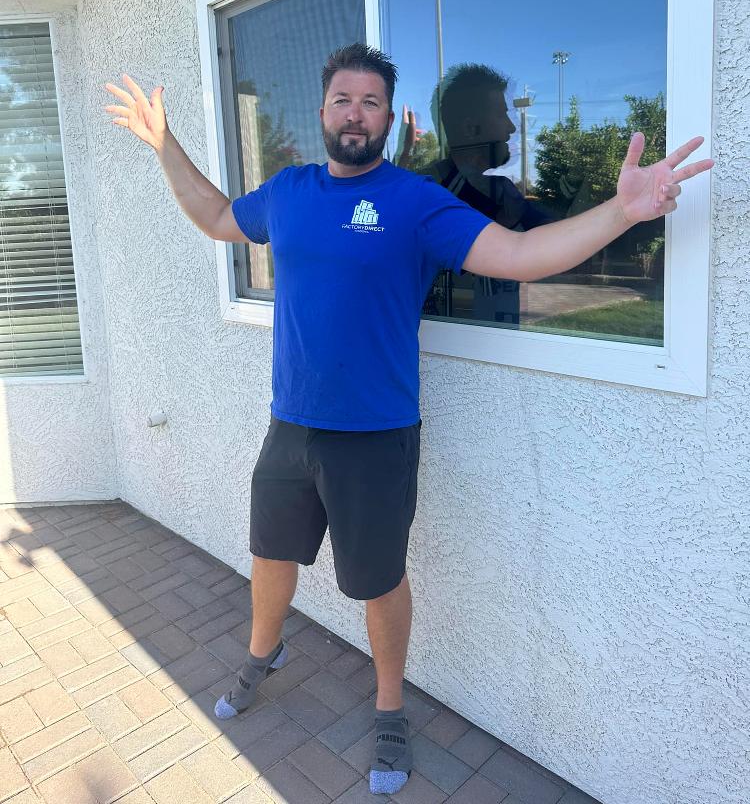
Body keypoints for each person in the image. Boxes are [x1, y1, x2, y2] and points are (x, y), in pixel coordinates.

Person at [104, 44, 713, 796]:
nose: (354, 113)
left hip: (376, 436)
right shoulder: (289, 191)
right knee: (271, 554)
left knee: (378, 581)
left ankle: (389, 706)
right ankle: (263, 652)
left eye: (369, 102)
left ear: (388, 119)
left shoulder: (413, 203)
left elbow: (521, 255)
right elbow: (217, 217)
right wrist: (166, 145)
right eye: (341, 99)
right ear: (322, 111)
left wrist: (623, 210)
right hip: (289, 426)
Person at [397, 63, 554, 326]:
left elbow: (550, 234)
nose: (512, 128)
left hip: (505, 340)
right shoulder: (426, 190)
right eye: (503, 115)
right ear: (471, 129)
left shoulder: (503, 190)